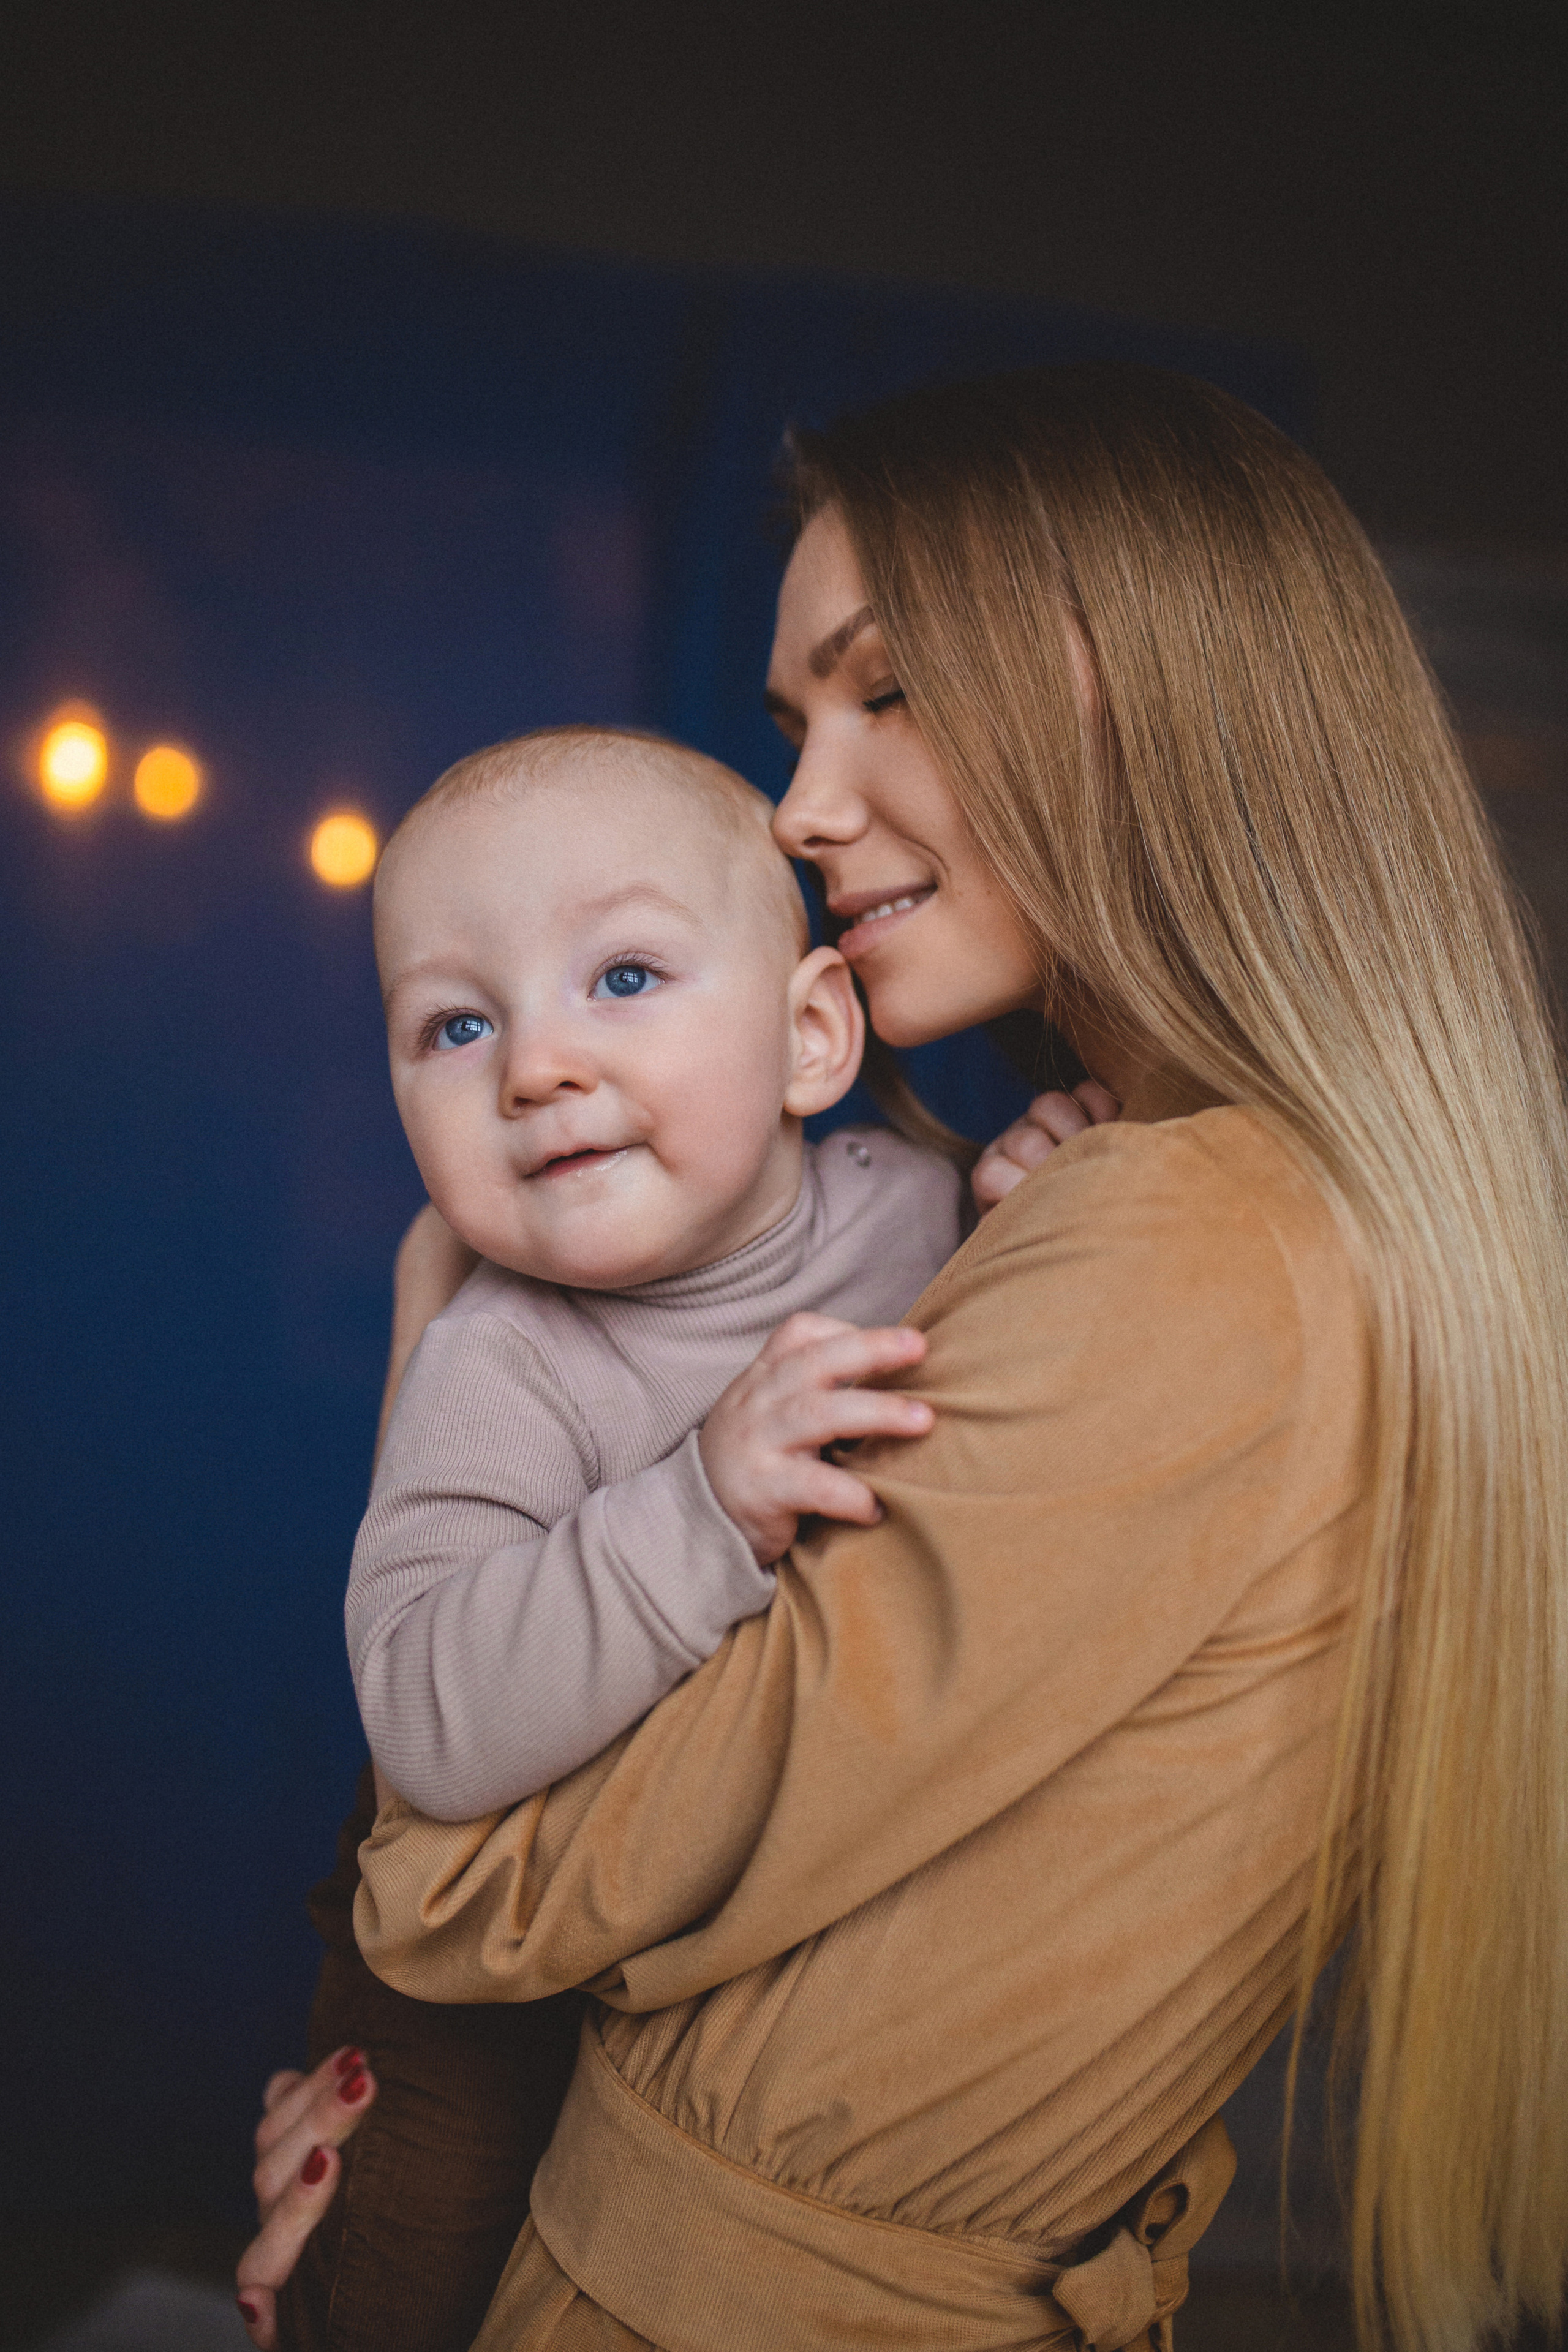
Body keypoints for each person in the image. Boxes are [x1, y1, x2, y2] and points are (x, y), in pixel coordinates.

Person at [254, 364, 1568, 2352]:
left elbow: (494, 1889)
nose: (801, 804)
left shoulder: (1190, 1235)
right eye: (796, 724)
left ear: (1145, 688)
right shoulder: (1087, 1204)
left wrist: (399, 1999)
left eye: (890, 690)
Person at [243, 722, 981, 2351]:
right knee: (399, 2275)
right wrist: (697, 1502)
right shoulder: (500, 1358)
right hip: (462, 1995)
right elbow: (429, 1722)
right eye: (455, 1022)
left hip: (737, 1985)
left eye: (624, 978)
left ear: (808, 1037)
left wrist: (1047, 1184)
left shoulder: (933, 1216)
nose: (535, 1067)